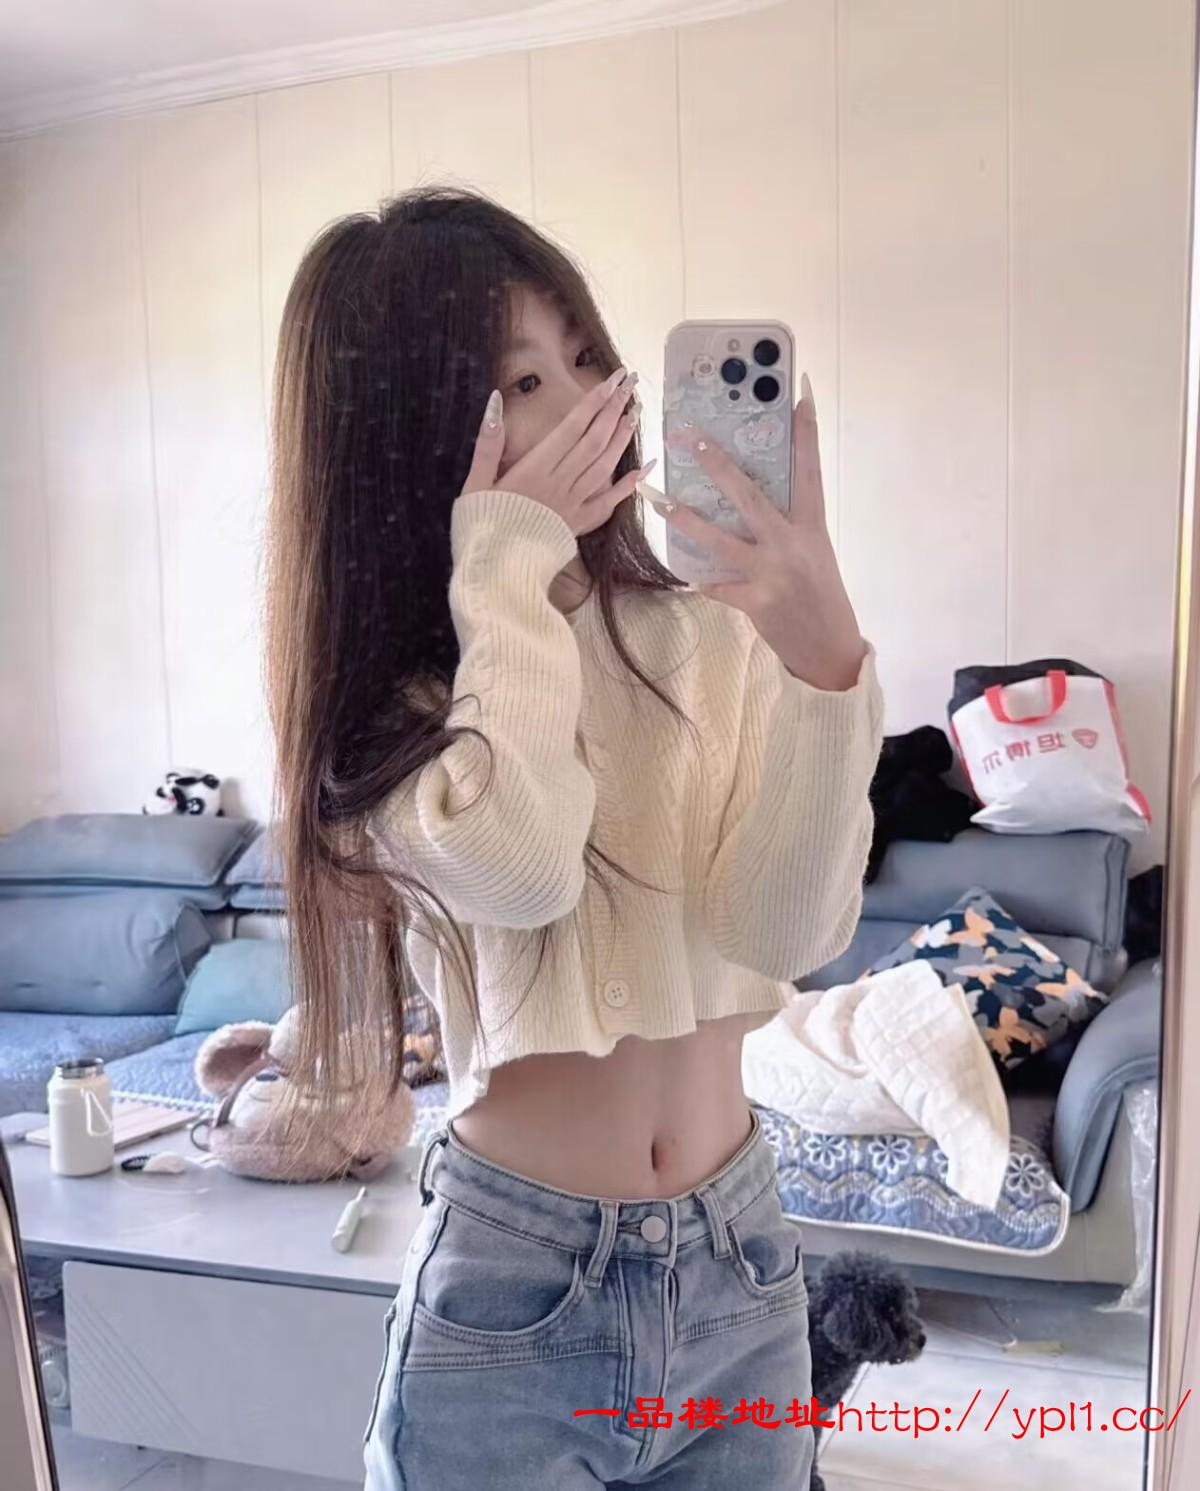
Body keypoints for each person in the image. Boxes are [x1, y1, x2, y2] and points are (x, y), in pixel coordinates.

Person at [263, 185, 884, 1490]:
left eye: (591, 357)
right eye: (525, 380)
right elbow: (522, 862)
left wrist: (826, 661)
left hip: (742, 1267)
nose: (596, 401)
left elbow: (785, 931)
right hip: (513, 1289)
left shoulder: (708, 636)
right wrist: (508, 566)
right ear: (409, 431)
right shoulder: (391, 715)